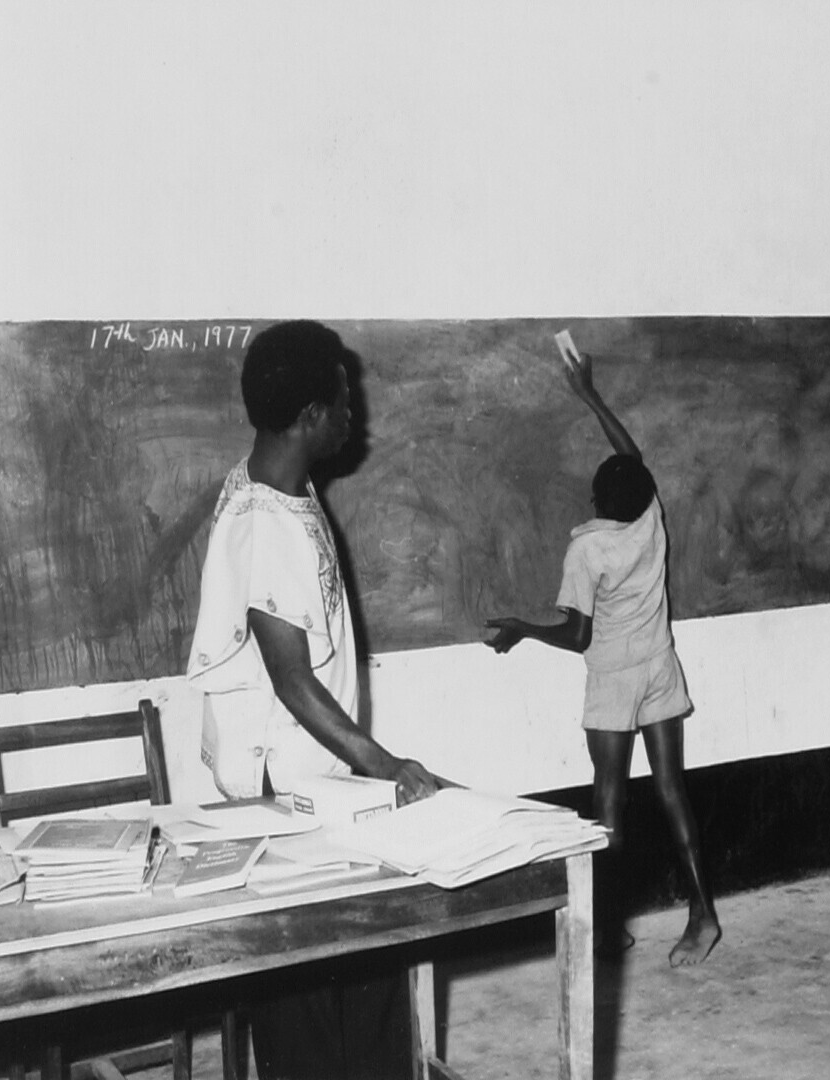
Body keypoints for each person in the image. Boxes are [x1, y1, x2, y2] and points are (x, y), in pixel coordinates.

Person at [187, 319, 441, 1079]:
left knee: (366, 971)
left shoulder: (281, 484)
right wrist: (389, 766)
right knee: (310, 1006)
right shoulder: (266, 522)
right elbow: (292, 680)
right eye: (343, 400)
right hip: (287, 792)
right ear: (309, 417)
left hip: (317, 779)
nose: (353, 413)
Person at [484, 349, 721, 967]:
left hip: (614, 680)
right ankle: (703, 914)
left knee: (609, 803)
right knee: (671, 790)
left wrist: (523, 629)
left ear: (595, 502)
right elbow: (633, 457)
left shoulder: (588, 551)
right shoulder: (651, 517)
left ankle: (604, 929)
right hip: (660, 666)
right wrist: (589, 396)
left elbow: (579, 637)